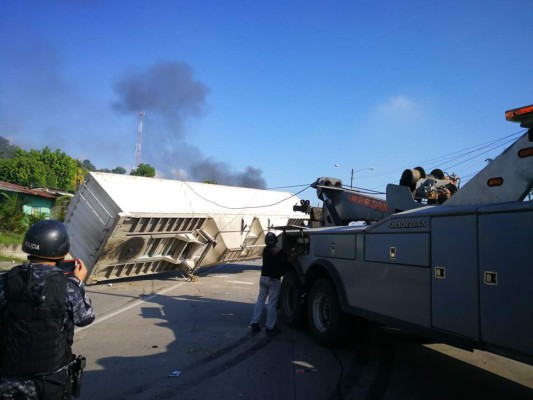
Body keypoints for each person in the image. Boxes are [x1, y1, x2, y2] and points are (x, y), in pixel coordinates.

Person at [0, 219, 95, 400]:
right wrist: (78, 282)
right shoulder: (67, 287)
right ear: (62, 250)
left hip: (7, 380)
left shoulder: (6, 280)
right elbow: (86, 317)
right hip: (49, 383)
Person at [249, 232, 291, 333]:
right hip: (274, 280)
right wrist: (297, 251)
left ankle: (255, 322)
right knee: (272, 304)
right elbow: (291, 259)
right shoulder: (279, 251)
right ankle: (270, 326)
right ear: (275, 240)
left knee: (260, 301)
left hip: (263, 278)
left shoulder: (265, 250)